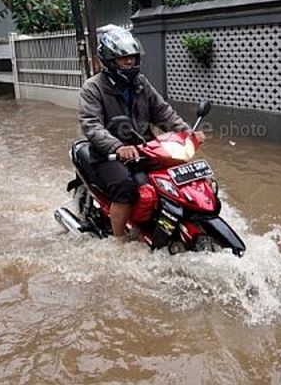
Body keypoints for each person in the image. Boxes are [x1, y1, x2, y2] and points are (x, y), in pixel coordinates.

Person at [79, 25, 203, 242]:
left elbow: (163, 112)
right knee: (125, 187)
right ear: (110, 60)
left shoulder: (140, 83)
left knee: (180, 174)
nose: (129, 62)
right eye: (123, 58)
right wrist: (117, 147)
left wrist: (187, 133)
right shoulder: (92, 88)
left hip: (145, 149)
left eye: (132, 57)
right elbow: (91, 125)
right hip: (109, 155)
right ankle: (119, 241)